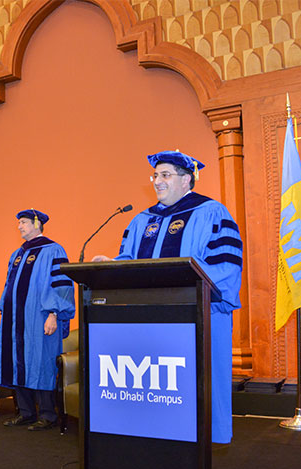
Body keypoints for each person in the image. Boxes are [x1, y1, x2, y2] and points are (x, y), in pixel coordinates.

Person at [92, 150, 243, 444]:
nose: (157, 181)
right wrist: (111, 265)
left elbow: (226, 267)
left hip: (197, 318)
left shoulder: (212, 213)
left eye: (165, 175)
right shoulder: (142, 220)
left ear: (187, 180)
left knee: (194, 397)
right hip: (148, 320)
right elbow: (129, 261)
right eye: (155, 176)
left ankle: (195, 448)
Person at [0, 210, 75, 431]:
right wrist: (6, 309)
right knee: (18, 362)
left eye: (23, 222)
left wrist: (54, 314)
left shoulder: (53, 250)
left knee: (42, 362)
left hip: (40, 318)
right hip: (16, 319)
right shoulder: (17, 254)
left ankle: (48, 415)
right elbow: (8, 286)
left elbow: (62, 286)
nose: (19, 226)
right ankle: (26, 412)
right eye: (18, 223)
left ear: (37, 224)